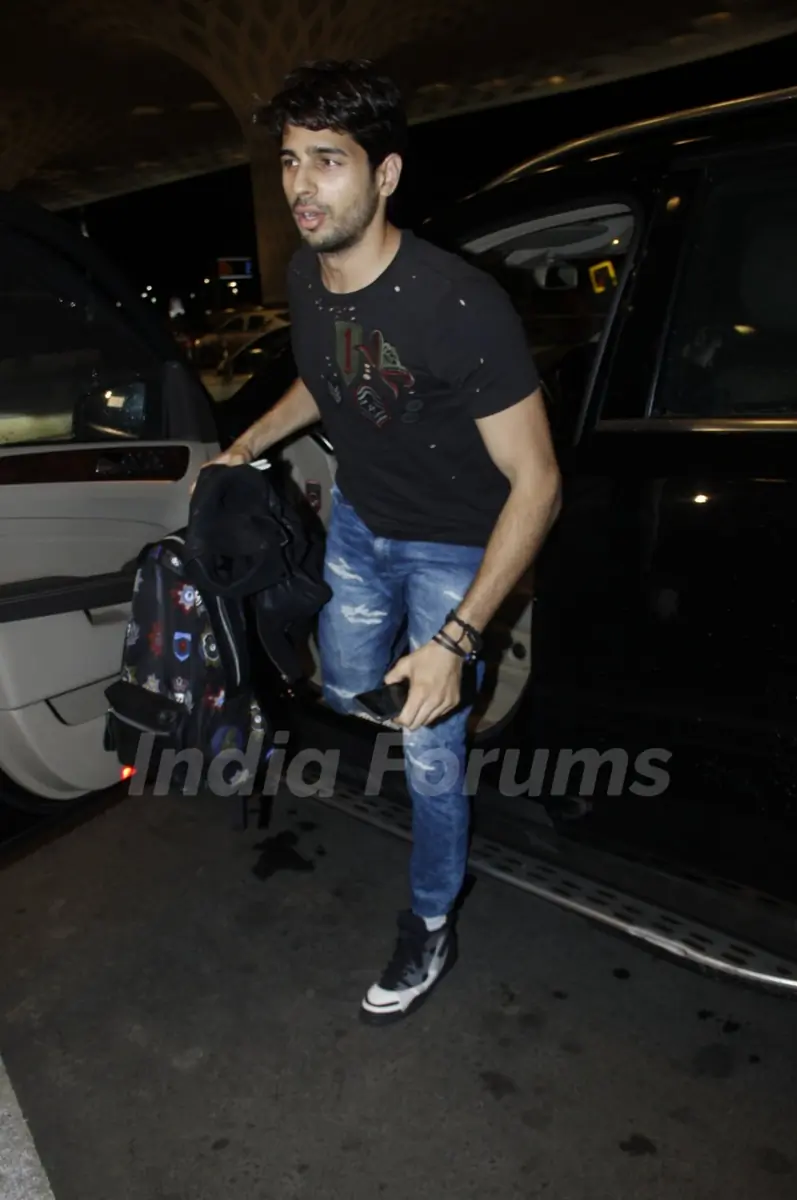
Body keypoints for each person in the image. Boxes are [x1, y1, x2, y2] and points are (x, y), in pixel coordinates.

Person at [202, 59, 562, 1025]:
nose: (301, 185)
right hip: (363, 525)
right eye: (290, 161)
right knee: (348, 686)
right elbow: (324, 379)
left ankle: (433, 917)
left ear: (386, 173)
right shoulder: (305, 277)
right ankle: (427, 699)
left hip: (455, 548)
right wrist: (244, 445)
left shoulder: (458, 304)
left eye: (329, 160)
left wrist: (457, 640)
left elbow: (538, 482)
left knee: (432, 754)